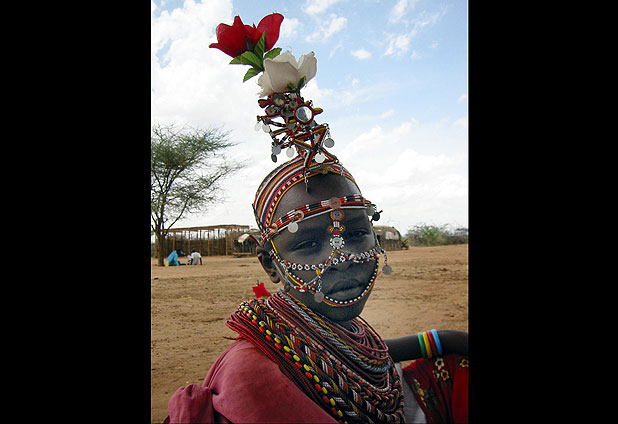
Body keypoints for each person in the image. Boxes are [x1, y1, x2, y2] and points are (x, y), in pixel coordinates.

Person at [164, 12, 467, 423]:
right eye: (308, 243)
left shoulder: (342, 332)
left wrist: (444, 339)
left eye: (358, 234)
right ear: (270, 264)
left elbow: (367, 356)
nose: (341, 257)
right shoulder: (250, 380)